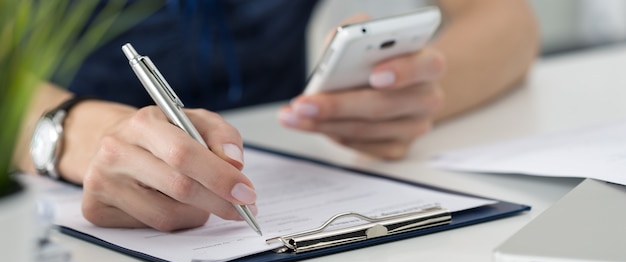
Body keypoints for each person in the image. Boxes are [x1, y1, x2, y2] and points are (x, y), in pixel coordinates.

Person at [13, 0, 539, 232]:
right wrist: (66, 132)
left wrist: (407, 95)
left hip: (296, 163)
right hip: (52, 204)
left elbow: (506, 16)